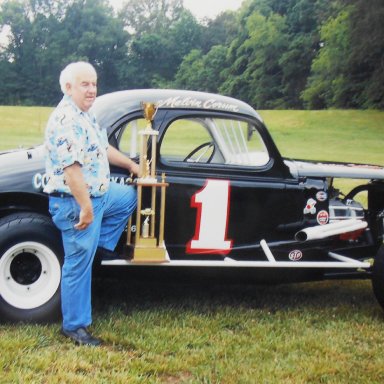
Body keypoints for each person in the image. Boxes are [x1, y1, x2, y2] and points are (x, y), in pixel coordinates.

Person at [44, 61, 139, 346]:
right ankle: (74, 326)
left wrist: (132, 166)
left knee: (128, 197)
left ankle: (96, 246)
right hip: (76, 202)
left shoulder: (85, 115)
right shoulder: (66, 120)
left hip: (101, 195)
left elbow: (103, 148)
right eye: (85, 84)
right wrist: (86, 208)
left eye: (94, 83)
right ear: (68, 87)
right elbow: (71, 171)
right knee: (76, 265)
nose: (91, 89)